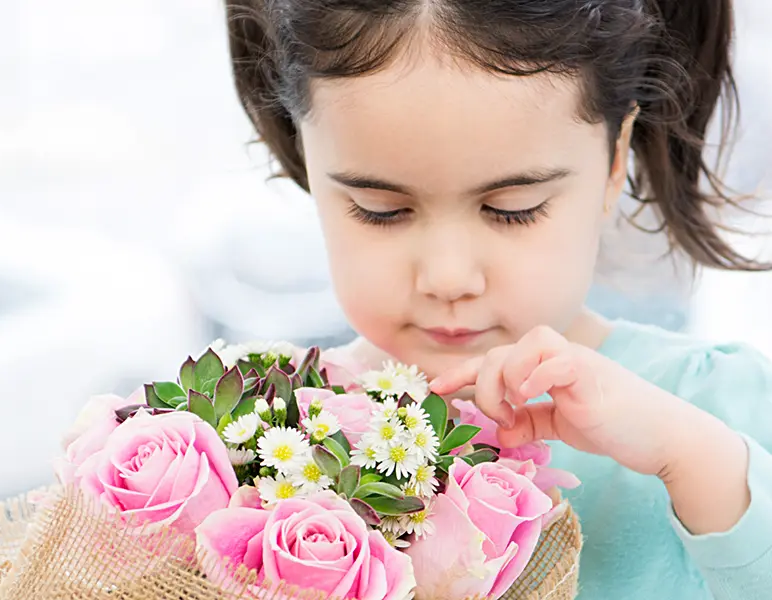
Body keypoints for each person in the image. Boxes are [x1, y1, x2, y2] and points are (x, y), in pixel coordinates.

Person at [224, 1, 772, 598]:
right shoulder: (269, 430)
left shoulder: (709, 409)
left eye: (513, 210)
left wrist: (694, 463)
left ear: (615, 160)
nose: (448, 278)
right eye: (381, 212)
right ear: (306, 156)